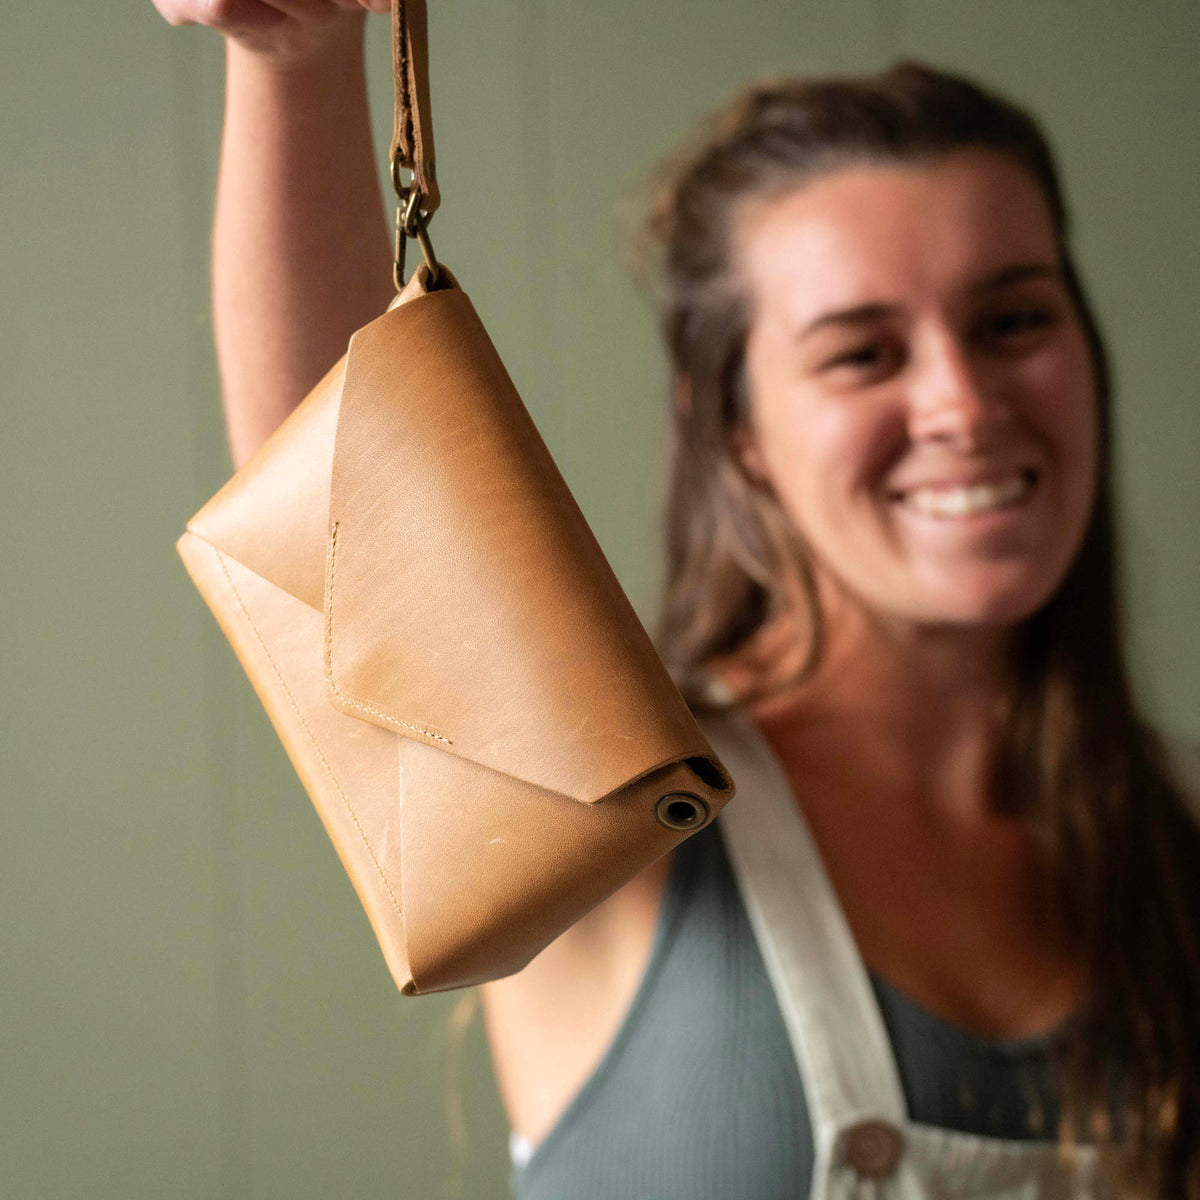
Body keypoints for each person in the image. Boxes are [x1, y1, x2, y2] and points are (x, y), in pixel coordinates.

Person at [153, 2, 1200, 1196]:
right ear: (737, 428)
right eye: (862, 352)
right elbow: (354, 514)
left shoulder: (1180, 833)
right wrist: (293, 58)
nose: (963, 402)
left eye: (1013, 321)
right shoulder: (622, 821)